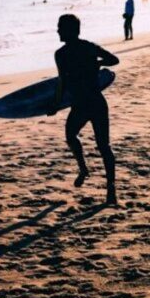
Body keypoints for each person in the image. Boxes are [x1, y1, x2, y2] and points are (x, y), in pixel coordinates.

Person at [49, 14, 119, 205]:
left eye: (60, 27)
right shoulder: (89, 47)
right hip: (96, 101)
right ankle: (110, 187)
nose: (57, 31)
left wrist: (55, 104)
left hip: (81, 104)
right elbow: (114, 60)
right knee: (104, 146)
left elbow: (62, 83)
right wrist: (98, 63)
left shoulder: (61, 54)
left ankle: (83, 168)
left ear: (69, 30)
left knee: (71, 136)